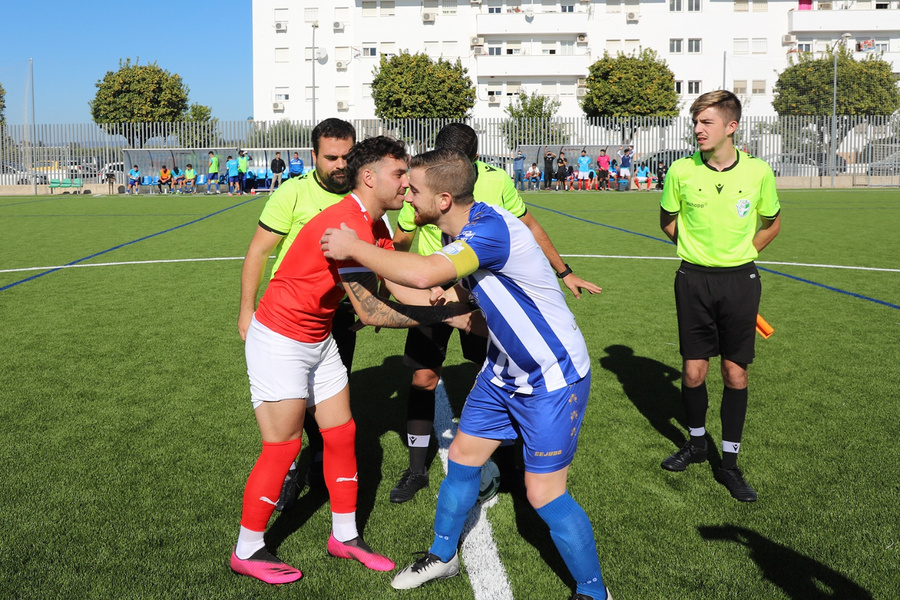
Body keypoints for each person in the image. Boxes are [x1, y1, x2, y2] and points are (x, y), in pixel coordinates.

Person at [319, 148, 612, 600]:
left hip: (551, 378)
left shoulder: (488, 231)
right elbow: (446, 304)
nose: (406, 196)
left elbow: (423, 277)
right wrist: (372, 298)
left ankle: (594, 592)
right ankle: (443, 556)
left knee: (543, 494)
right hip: (501, 373)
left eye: (414, 190)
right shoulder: (464, 228)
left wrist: (353, 247)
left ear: (442, 201)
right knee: (462, 460)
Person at [231, 136, 475, 585]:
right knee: (283, 446)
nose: (407, 183)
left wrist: (450, 303)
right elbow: (370, 311)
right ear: (370, 177)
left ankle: (343, 536)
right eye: (399, 174)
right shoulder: (348, 223)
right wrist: (451, 316)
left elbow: (396, 289)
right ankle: (247, 548)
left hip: (317, 337)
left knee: (342, 433)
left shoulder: (376, 227)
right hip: (281, 338)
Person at [388, 123, 601, 504]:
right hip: (434, 290)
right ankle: (417, 467)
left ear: (467, 166)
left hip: (480, 297)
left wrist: (563, 271)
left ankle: (508, 463)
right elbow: (403, 240)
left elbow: (527, 225)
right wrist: (388, 273)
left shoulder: (494, 184)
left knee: (490, 374)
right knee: (423, 377)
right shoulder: (424, 186)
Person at [659, 90, 781, 503]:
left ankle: (728, 463)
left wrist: (739, 255)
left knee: (735, 373)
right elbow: (667, 222)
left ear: (731, 127)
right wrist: (700, 255)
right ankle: (696, 445)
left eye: (706, 122)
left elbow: (772, 223)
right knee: (693, 371)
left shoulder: (759, 172)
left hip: (740, 282)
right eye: (695, 122)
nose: (697, 130)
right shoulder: (680, 171)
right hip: (692, 280)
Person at [239, 119, 359, 505]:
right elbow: (258, 251)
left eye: (347, 156)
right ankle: (292, 468)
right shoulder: (293, 193)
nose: (341, 164)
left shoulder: (359, 195)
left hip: (336, 314)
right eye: (331, 157)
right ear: (313, 156)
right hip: (289, 318)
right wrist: (246, 311)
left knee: (329, 400)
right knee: (294, 403)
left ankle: (320, 466)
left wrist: (366, 298)